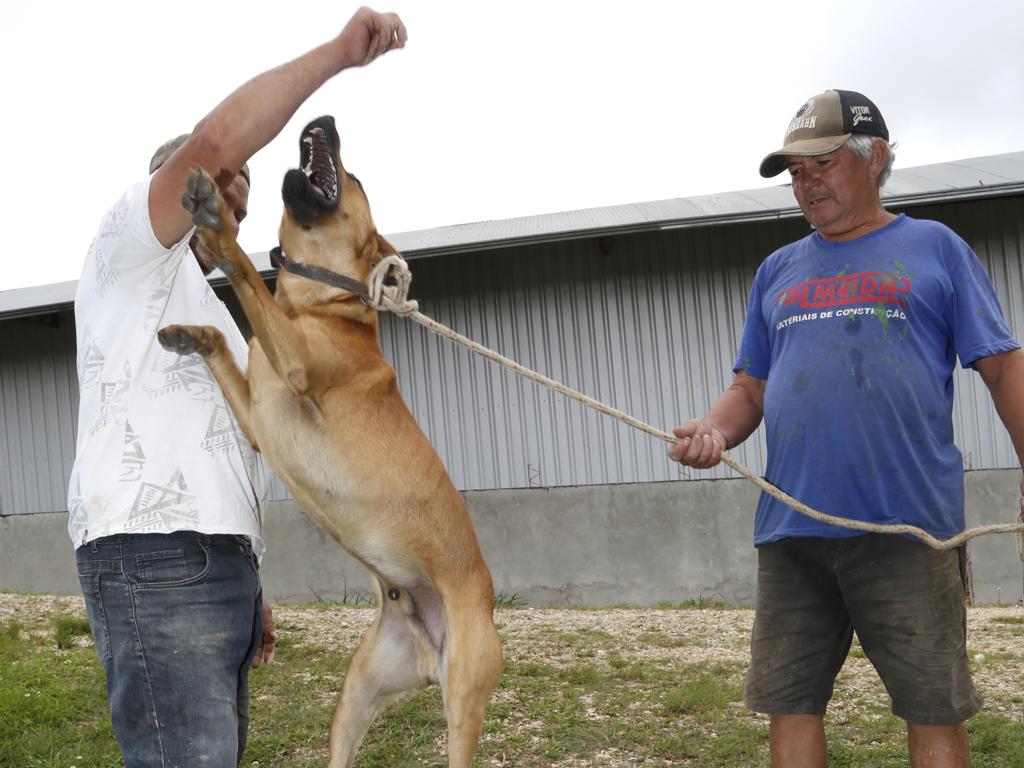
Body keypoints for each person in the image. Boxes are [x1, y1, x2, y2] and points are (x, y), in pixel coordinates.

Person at [67, 8, 407, 767]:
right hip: (154, 562)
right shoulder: (133, 243)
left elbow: (239, 437)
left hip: (207, 565)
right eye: (222, 200)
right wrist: (339, 54)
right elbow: (218, 142)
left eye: (241, 214)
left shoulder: (201, 298)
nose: (233, 224)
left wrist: (245, 576)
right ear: (176, 185)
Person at [668, 89, 1024, 768]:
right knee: (790, 701)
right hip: (793, 531)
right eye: (796, 174)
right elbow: (750, 387)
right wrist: (715, 429)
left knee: (933, 706)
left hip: (907, 527)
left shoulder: (935, 249)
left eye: (821, 165)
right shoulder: (778, 269)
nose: (806, 185)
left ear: (875, 158)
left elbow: (1005, 368)